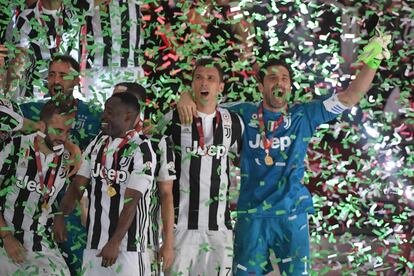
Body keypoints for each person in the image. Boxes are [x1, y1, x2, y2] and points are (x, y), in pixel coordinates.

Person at [177, 32, 391, 274]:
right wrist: (185, 96)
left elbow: (350, 96)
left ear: (289, 86)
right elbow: (206, 102)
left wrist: (372, 63)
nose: (279, 82)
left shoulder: (305, 115)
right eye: (272, 78)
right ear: (261, 86)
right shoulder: (241, 113)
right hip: (252, 215)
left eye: (284, 78)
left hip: (292, 214)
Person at [54, 91, 156, 276]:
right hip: (94, 244)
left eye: (109, 112)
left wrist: (115, 242)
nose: (103, 116)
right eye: (104, 111)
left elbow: (131, 202)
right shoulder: (97, 143)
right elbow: (78, 185)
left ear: (128, 116)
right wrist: (61, 216)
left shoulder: (142, 150)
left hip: (128, 248)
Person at [163, 58, 244, 275]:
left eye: (210, 78)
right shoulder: (173, 119)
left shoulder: (234, 122)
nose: (204, 83)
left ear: (221, 87)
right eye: (198, 78)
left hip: (220, 228)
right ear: (191, 85)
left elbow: (244, 159)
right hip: (180, 227)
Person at [0, 100, 73, 275]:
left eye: (68, 132)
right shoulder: (14, 147)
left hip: (40, 244)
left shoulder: (67, 160)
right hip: (4, 239)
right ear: (41, 126)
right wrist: (7, 237)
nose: (63, 138)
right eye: (58, 130)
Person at [113, 82, 176, 274]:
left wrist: (168, 243)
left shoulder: (159, 142)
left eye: (118, 100)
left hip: (144, 243)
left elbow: (166, 196)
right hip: (106, 240)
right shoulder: (103, 142)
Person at [80, 0, 145, 102]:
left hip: (131, 68)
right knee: (97, 114)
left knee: (130, 114)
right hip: (100, 68)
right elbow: (76, 9)